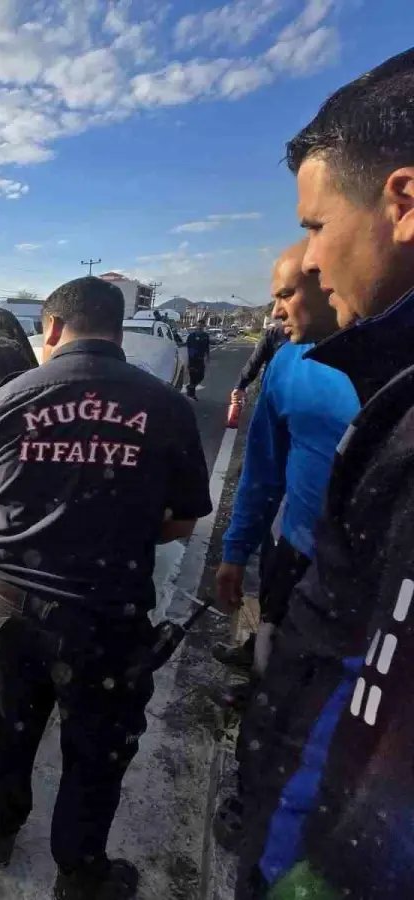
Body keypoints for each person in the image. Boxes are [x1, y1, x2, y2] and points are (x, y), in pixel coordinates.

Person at [0, 276, 211, 899]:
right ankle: (78, 871)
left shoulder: (8, 397)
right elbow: (181, 520)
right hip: (105, 613)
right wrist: (111, 524)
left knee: (8, 725)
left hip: (11, 603)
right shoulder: (166, 406)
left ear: (50, 328)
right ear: (116, 328)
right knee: (96, 747)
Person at [232, 48, 414, 900]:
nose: (306, 265)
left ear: (401, 202)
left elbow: (374, 712)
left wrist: (310, 876)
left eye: (313, 226)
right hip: (297, 563)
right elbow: (260, 475)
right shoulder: (314, 370)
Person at [209, 240, 358, 848]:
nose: (275, 311)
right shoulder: (288, 365)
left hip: (375, 572)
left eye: (286, 294)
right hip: (293, 556)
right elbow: (263, 472)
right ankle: (254, 792)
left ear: (331, 280)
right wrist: (235, 553)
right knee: (275, 684)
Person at [231, 322, 289, 403]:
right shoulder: (273, 335)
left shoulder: (273, 334)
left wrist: (240, 386)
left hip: (273, 392)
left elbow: (254, 363)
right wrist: (240, 385)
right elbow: (254, 362)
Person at [185, 322, 212, 399]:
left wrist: (208, 356)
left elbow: (207, 347)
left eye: (201, 325)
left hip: (200, 360)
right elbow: (188, 348)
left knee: (201, 376)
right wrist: (188, 361)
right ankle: (191, 395)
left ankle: (190, 388)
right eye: (198, 325)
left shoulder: (205, 336)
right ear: (196, 326)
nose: (200, 327)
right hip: (192, 360)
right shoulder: (191, 336)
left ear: (203, 327)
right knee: (193, 377)